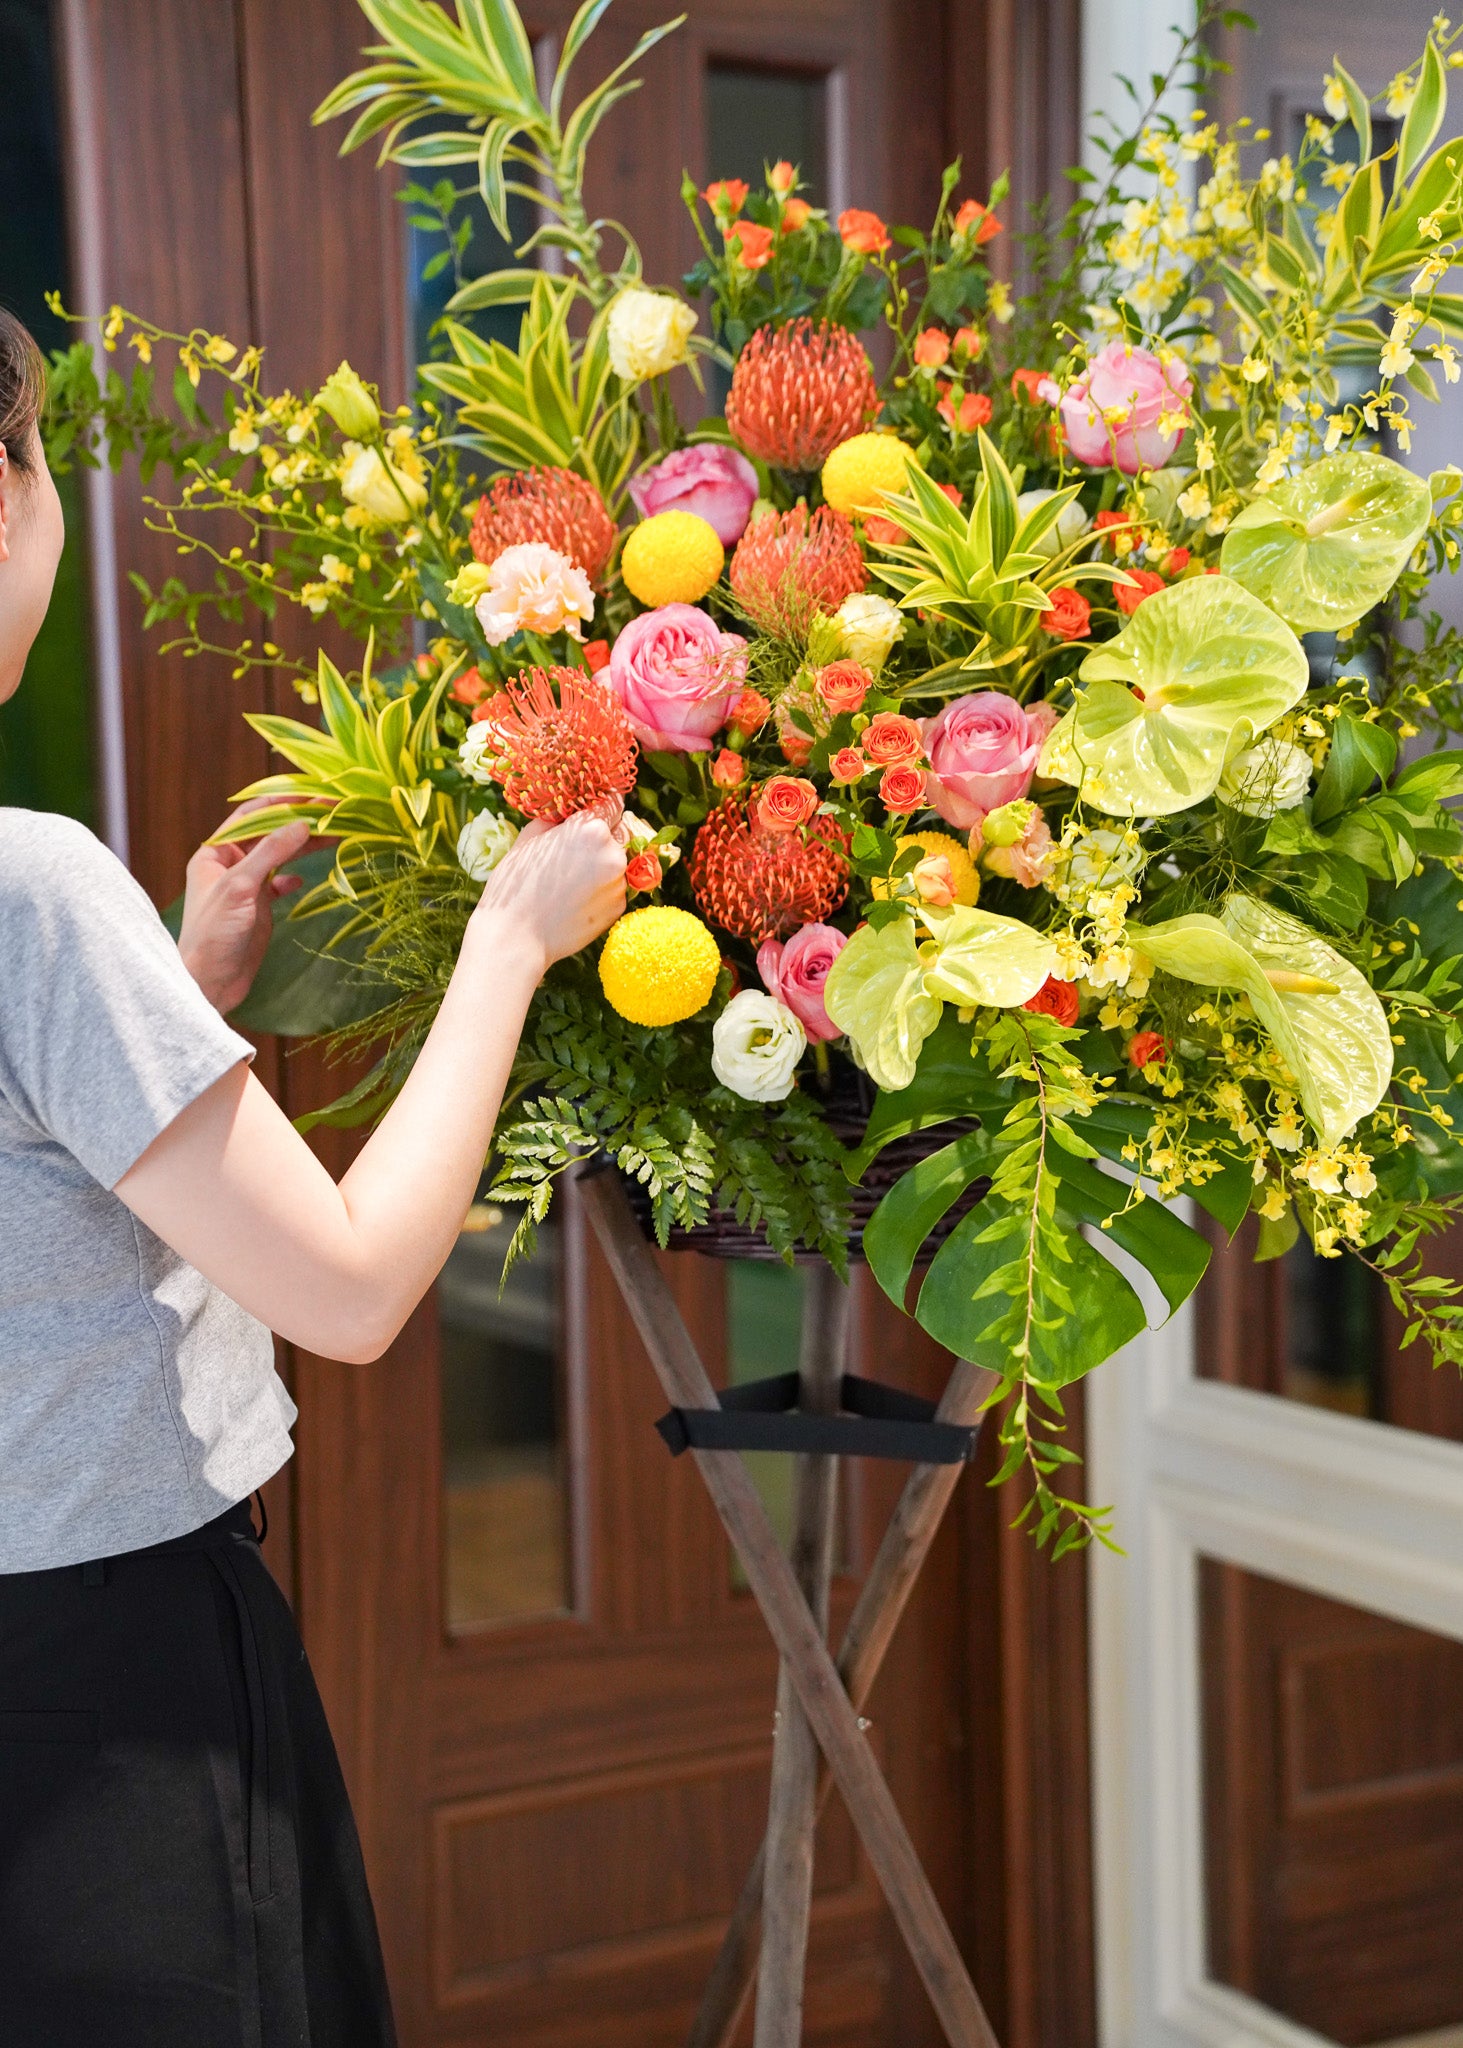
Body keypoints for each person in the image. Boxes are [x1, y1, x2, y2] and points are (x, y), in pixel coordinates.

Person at [0, 306, 627, 2048]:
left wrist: (172, 1001)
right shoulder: (33, 890)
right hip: (101, 1696)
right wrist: (509, 941)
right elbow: (348, 1290)